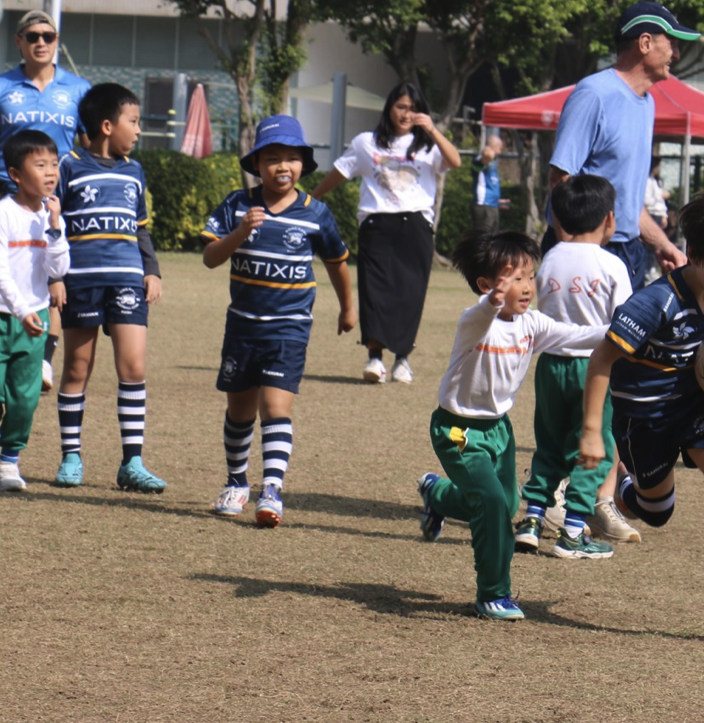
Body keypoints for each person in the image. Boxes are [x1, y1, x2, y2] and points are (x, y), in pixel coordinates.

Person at [579, 187, 704, 644]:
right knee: (658, 512)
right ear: (692, 254)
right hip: (643, 419)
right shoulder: (656, 303)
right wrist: (593, 432)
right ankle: (622, 498)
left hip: (697, 407)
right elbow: (601, 361)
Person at [415, 231, 607, 621]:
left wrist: (630, 329)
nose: (526, 287)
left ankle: (437, 495)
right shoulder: (475, 320)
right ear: (487, 285)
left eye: (529, 276)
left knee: (506, 505)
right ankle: (493, 593)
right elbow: (484, 312)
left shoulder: (532, 324)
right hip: (458, 431)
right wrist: (493, 301)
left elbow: (580, 336)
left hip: (499, 431)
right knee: (492, 505)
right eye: (514, 278)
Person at [201, 116, 355, 528]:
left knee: (275, 406)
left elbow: (337, 263)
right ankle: (237, 482)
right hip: (243, 327)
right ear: (257, 164)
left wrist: (348, 308)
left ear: (304, 163)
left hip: (289, 328)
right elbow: (211, 257)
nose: (282, 166)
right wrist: (240, 232)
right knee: (239, 411)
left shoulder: (316, 213)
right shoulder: (237, 204)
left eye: (291, 158)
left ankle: (271, 490)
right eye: (272, 158)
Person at [0, 10, 91, 393]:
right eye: (32, 36)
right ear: (19, 42)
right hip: (5, 194)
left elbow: (93, 144)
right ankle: (0, 352)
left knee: (54, 275)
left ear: (57, 40)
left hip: (57, 196)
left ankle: (42, 358)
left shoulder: (78, 89)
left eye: (48, 35)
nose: (40, 42)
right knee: (2, 273)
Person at [49, 83, 166, 493]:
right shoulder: (68, 166)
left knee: (133, 368)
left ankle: (132, 462)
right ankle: (71, 456)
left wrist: (151, 269)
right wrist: (55, 278)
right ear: (105, 125)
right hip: (81, 284)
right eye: (132, 122)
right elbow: (52, 227)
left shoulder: (134, 171)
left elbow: (141, 228)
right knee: (77, 369)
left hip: (128, 282)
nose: (138, 131)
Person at [513, 176, 638, 559]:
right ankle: (572, 533)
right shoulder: (612, 264)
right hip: (594, 369)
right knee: (594, 450)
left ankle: (532, 520)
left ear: (558, 219)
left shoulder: (549, 259)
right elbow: (628, 322)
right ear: (610, 220)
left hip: (551, 366)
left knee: (549, 445)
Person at [311, 83, 461, 385]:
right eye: (401, 107)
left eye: (413, 108)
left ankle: (402, 359)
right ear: (389, 109)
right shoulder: (366, 143)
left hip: (416, 225)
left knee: (410, 293)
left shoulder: (428, 147)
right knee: (374, 291)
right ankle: (375, 358)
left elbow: (455, 161)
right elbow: (340, 171)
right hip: (376, 225)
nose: (406, 114)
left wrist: (432, 130)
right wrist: (309, 200)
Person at [547, 2, 692, 289]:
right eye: (672, 43)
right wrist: (573, 256)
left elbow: (628, 200)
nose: (676, 54)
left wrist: (662, 244)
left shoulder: (647, 103)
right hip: (586, 251)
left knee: (628, 336)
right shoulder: (594, 94)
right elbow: (560, 180)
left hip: (629, 252)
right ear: (645, 43)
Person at [0, 131, 70, 492]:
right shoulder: (2, 214)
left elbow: (60, 267)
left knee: (24, 397)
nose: (50, 172)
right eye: (40, 165)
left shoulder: (51, 215)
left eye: (54, 164)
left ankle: (9, 462)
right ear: (16, 174)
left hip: (33, 319)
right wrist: (21, 310)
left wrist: (55, 228)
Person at [470, 135, 504, 235]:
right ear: (493, 147)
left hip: (493, 205)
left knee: (494, 239)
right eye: (499, 148)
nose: (500, 152)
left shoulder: (492, 164)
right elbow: (486, 156)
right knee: (483, 238)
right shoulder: (481, 159)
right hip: (484, 205)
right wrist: (489, 150)